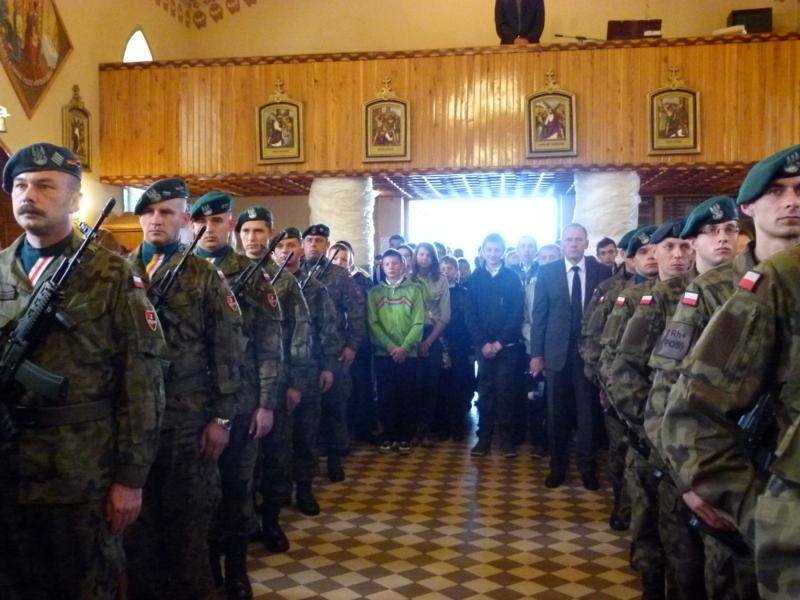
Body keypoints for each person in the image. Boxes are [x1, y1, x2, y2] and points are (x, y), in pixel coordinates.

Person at [0, 143, 164, 600]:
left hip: (82, 470)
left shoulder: (112, 274)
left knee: (86, 585)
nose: (29, 195)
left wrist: (131, 478)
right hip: (8, 465)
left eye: (45, 186)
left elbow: (143, 381)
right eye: (20, 186)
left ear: (75, 200)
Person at [662, 145, 800, 599]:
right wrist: (694, 482)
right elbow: (670, 393)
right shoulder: (711, 291)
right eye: (777, 191)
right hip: (748, 482)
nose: (791, 202)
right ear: (750, 207)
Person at [124, 178, 244, 600]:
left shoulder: (204, 276)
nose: (156, 220)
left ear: (184, 219)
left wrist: (222, 419)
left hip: (187, 423)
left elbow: (228, 352)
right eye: (148, 212)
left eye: (166, 212)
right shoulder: (117, 272)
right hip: (130, 425)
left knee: (188, 533)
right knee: (136, 540)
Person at [189, 192, 284, 598]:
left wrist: (266, 403)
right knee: (198, 495)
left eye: (216, 221)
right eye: (201, 222)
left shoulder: (252, 273)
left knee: (237, 489)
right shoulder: (180, 271)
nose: (208, 229)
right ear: (191, 225)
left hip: (242, 402)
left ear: (229, 224)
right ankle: (208, 567)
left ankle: (238, 571)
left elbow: (269, 343)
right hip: (190, 405)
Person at [609, 216, 706, 599]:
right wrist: (653, 431)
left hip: (700, 443)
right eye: (669, 247)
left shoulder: (711, 294)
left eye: (685, 246)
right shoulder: (652, 301)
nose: (678, 255)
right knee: (651, 525)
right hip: (654, 440)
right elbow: (623, 370)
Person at [236, 206, 315, 554]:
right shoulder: (226, 274)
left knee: (275, 458)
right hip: (238, 384)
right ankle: (244, 522)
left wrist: (296, 381)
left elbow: (300, 332)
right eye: (246, 231)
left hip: (277, 381)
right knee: (241, 463)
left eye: (259, 231)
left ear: (270, 235)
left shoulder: (283, 280)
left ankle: (270, 521)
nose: (252, 238)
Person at [581, 226, 656, 531]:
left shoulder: (677, 291)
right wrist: (604, 383)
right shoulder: (612, 291)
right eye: (643, 252)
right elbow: (593, 338)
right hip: (618, 392)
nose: (651, 257)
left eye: (655, 251)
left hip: (658, 395)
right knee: (622, 451)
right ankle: (623, 507)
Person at [530, 223, 612, 489]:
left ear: (586, 243)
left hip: (589, 354)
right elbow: (539, 316)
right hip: (556, 354)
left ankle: (587, 467)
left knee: (587, 413)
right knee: (556, 413)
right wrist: (537, 354)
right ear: (562, 244)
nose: (574, 244)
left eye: (578, 240)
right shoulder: (547, 272)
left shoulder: (602, 272)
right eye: (569, 240)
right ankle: (558, 466)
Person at [277, 228, 340, 516]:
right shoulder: (265, 285)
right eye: (280, 246)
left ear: (300, 250)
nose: (286, 251)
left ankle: (304, 489)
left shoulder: (314, 288)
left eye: (291, 245)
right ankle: (277, 492)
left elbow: (328, 329)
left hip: (308, 371)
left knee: (305, 434)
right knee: (278, 440)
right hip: (276, 373)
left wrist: (328, 366)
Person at [302, 224, 367, 482]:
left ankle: (335, 459)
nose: (313, 245)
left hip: (333, 350)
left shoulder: (340, 276)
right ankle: (308, 463)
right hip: (303, 353)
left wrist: (352, 345)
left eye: (319, 240)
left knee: (334, 408)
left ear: (327, 245)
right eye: (309, 240)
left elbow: (357, 312)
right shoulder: (294, 273)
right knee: (307, 412)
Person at [465, 233, 524, 457]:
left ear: (503, 251)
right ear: (482, 251)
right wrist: (483, 343)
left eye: (497, 250)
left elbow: (516, 313)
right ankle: (484, 438)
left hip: (507, 347)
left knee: (506, 392)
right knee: (485, 393)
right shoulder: (475, 278)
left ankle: (506, 439)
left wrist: (499, 342)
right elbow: (470, 315)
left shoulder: (512, 278)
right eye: (488, 250)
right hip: (484, 349)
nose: (492, 254)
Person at [367, 249, 425, 454]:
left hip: (409, 354)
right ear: (382, 267)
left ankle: (405, 436)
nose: (391, 268)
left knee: (407, 395)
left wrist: (405, 347)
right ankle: (388, 435)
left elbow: (418, 322)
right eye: (386, 264)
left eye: (395, 263)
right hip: (384, 354)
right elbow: (373, 323)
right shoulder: (375, 292)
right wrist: (391, 347)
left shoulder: (415, 290)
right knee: (386, 395)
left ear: (403, 265)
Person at [411, 242, 451, 445]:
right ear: (416, 256)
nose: (424, 258)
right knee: (413, 384)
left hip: (433, 334)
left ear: (434, 258)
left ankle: (426, 428)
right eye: (421, 254)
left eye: (428, 255)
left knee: (430, 384)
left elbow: (445, 316)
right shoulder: (408, 278)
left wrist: (428, 342)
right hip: (409, 335)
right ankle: (411, 429)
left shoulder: (441, 280)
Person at [438, 256, 474, 440]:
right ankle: (443, 425)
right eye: (443, 268)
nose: (446, 272)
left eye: (450, 268)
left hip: (460, 344)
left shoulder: (464, 293)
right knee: (442, 383)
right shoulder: (434, 292)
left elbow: (470, 322)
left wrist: (472, 349)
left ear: (457, 271)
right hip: (439, 342)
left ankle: (459, 424)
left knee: (459, 384)